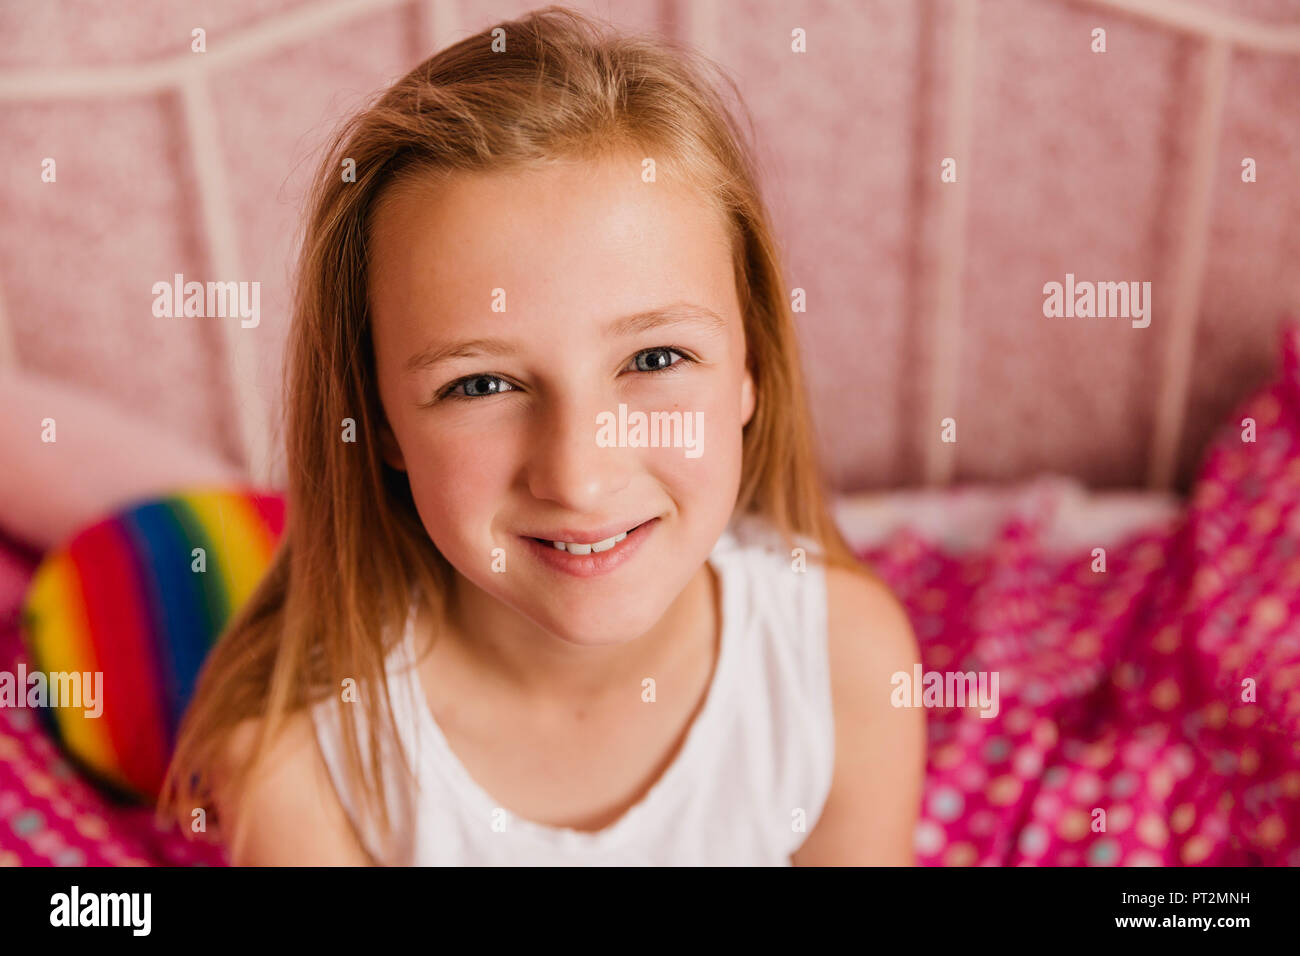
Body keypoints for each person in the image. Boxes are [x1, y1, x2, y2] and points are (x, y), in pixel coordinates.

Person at [159, 5, 923, 866]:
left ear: (751, 363)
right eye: (481, 384)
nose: (580, 477)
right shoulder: (299, 755)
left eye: (656, 357)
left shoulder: (841, 662)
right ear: (378, 422)